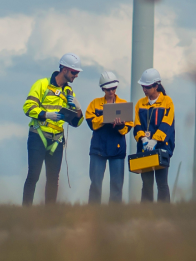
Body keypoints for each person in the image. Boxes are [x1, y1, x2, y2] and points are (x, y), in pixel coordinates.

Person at [21, 52, 83, 206]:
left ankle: (50, 215)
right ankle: (25, 213)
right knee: (33, 175)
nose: (76, 76)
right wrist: (46, 115)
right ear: (65, 70)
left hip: (57, 140)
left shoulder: (69, 92)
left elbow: (76, 123)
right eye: (74, 72)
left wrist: (78, 108)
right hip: (38, 135)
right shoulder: (41, 84)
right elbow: (28, 108)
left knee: (53, 179)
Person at [85, 70, 132, 204]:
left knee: (117, 185)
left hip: (117, 149)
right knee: (95, 184)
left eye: (114, 88)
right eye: (108, 89)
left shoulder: (123, 104)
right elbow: (91, 123)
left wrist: (119, 125)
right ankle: (93, 213)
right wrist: (106, 118)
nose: (111, 91)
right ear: (103, 89)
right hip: (98, 149)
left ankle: (114, 215)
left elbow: (128, 127)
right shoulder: (94, 104)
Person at [133, 68, 175, 203]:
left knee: (162, 183)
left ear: (156, 86)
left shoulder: (167, 101)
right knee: (146, 184)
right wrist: (143, 138)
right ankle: (146, 214)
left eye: (147, 87)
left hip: (162, 148)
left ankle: (163, 214)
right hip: (145, 149)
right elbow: (137, 124)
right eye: (143, 86)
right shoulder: (140, 103)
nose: (144, 89)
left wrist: (155, 141)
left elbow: (167, 124)